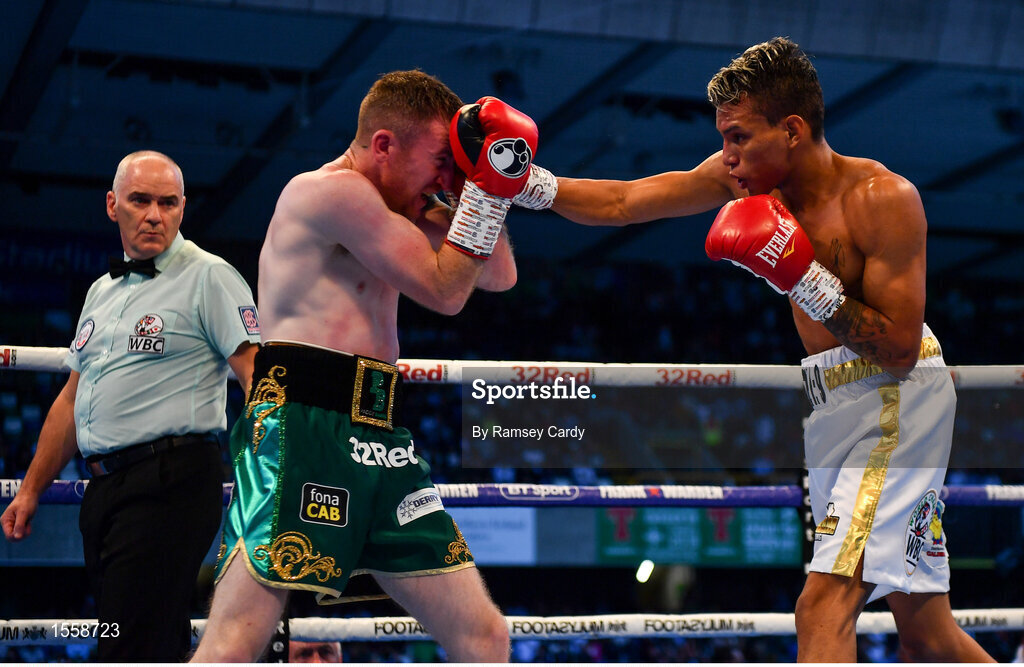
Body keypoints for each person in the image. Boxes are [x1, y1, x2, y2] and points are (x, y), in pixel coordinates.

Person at [513, 38, 993, 662]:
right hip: (832, 402)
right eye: (725, 139)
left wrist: (803, 278)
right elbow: (624, 201)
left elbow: (899, 348)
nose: (727, 156)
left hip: (898, 402)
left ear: (792, 130)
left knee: (821, 607)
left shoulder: (882, 200)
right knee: (926, 631)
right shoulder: (741, 182)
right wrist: (526, 182)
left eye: (739, 137)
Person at [190, 70, 530, 662]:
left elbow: (499, 274)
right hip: (303, 422)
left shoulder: (408, 203)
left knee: (485, 636)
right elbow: (447, 291)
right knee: (237, 640)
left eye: (452, 165)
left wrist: (482, 179)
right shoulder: (330, 194)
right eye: (437, 161)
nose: (443, 177)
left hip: (379, 434)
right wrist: (480, 191)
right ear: (383, 146)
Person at [0, 150, 260, 661]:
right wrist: (31, 489)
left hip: (172, 484)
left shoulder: (209, 276)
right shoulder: (101, 290)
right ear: (112, 205)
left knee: (125, 643)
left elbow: (257, 375)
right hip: (106, 491)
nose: (154, 215)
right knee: (148, 639)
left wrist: (267, 477)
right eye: (140, 200)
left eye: (168, 203)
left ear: (183, 208)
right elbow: (73, 397)